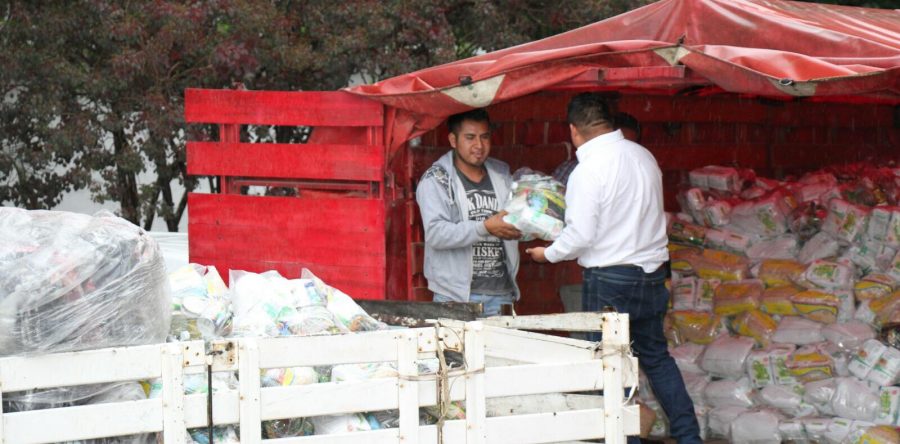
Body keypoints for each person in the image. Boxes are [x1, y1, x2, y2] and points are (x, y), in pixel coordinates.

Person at [525, 93, 701, 444]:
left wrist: (547, 255)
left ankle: (625, 439)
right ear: (610, 121)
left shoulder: (588, 169)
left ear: (574, 130)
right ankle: (689, 436)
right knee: (656, 358)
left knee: (607, 364)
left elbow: (580, 235)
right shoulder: (643, 157)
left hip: (609, 280)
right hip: (651, 276)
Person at [416, 109, 522, 317]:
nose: (479, 146)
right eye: (470, 138)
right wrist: (484, 228)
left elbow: (515, 219)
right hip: (455, 298)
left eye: (484, 137)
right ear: (453, 140)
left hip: (501, 295)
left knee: (498, 351)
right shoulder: (436, 180)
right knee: (457, 351)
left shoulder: (501, 174)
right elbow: (436, 234)